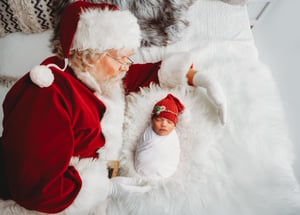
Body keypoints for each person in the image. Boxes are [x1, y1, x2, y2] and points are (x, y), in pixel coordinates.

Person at [0, 1, 227, 214]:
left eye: (128, 59)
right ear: (91, 54)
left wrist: (199, 78)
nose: (125, 68)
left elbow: (147, 74)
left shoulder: (99, 77)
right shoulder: (47, 96)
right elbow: (36, 189)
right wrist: (103, 188)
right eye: (121, 59)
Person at [135, 94, 184, 179]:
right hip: (140, 172)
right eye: (159, 120)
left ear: (174, 125)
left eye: (169, 122)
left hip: (166, 175)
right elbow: (140, 148)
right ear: (152, 120)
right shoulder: (148, 132)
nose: (164, 124)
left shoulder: (173, 137)